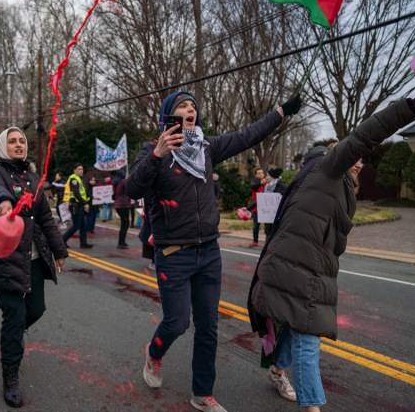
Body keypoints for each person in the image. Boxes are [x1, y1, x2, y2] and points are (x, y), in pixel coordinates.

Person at [248, 87, 415, 412]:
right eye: (356, 156)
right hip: (296, 272)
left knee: (298, 329)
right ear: (341, 152)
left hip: (311, 272)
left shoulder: (340, 185)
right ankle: (313, 407)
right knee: (309, 338)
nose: (360, 163)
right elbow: (365, 134)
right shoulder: (329, 168)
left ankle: (277, 370)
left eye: (362, 160)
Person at [127, 90, 301, 412]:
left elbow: (249, 135)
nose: (190, 109)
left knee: (208, 328)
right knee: (177, 322)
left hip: (208, 253)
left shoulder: (207, 148)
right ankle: (154, 353)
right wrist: (157, 156)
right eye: (183, 105)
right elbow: (132, 189)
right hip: (173, 254)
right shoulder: (152, 149)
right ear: (169, 114)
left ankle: (202, 394)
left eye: (193, 106)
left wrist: (281, 111)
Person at [0, 127, 68, 408]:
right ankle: (11, 375)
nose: (18, 145)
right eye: (12, 141)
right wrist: (5, 204)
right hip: (5, 257)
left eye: (22, 141)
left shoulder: (33, 178)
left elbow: (46, 219)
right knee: (14, 315)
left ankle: (10, 340)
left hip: (33, 257)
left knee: (36, 309)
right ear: (3, 146)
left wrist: (59, 251)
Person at [244, 168, 287, 240]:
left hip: (277, 218)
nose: (266, 177)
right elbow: (260, 200)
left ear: (272, 177)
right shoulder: (267, 187)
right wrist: (247, 208)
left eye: (267, 175)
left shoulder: (281, 185)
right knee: (267, 235)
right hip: (268, 218)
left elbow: (288, 198)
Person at [62, 163, 93, 249]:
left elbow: (83, 193)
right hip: (75, 205)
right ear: (74, 170)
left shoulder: (79, 179)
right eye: (79, 169)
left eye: (82, 169)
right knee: (76, 225)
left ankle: (83, 243)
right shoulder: (74, 180)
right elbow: (76, 193)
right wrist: (85, 203)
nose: (81, 171)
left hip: (79, 205)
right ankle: (62, 239)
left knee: (83, 224)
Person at [113, 170, 133, 249]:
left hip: (118, 205)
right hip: (123, 205)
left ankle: (122, 241)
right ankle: (121, 242)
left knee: (124, 223)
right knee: (125, 224)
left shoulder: (116, 182)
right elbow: (129, 189)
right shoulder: (123, 182)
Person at [249, 168, 266, 245]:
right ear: (256, 175)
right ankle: (255, 240)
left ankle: (268, 241)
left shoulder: (267, 182)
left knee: (267, 226)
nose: (261, 174)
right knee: (256, 225)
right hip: (257, 207)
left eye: (262, 173)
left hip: (266, 207)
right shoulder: (254, 182)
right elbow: (253, 186)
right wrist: (260, 183)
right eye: (258, 173)